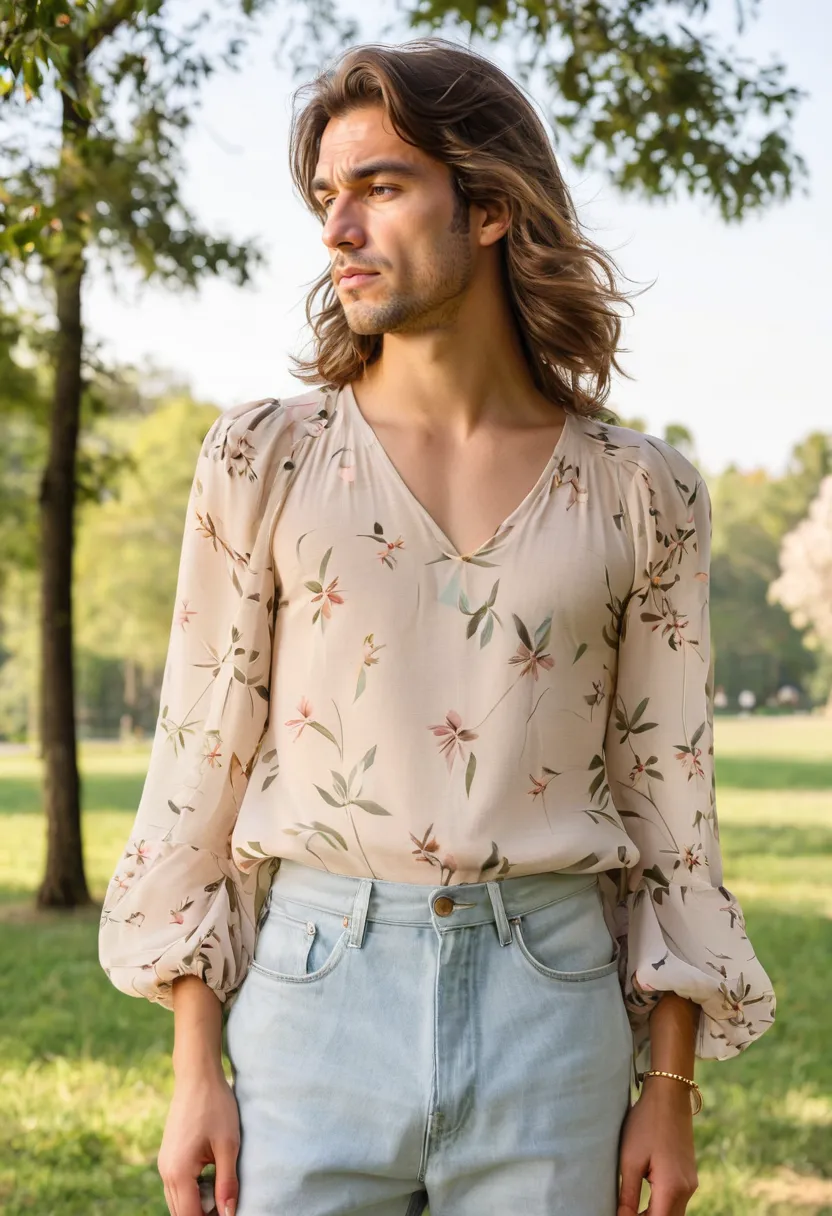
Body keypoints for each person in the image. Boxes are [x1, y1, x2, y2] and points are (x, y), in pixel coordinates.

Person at [98, 36, 776, 1216]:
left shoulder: (640, 492)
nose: (337, 228)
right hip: (313, 1001)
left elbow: (672, 807)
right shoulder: (264, 461)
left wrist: (667, 1086)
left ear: (491, 208)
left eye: (380, 186)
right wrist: (194, 1065)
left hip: (550, 1009)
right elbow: (197, 771)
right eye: (327, 194)